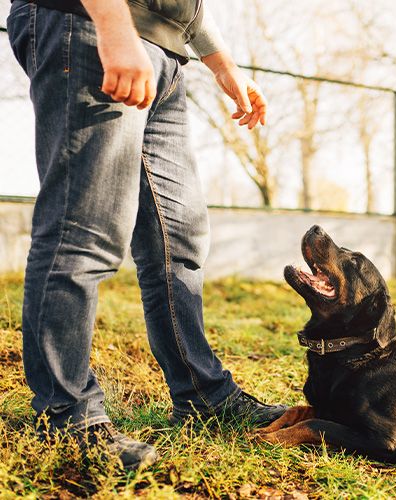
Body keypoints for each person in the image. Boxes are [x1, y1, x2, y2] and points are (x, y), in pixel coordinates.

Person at [6, 0, 286, 470]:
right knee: (84, 230)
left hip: (165, 51)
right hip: (92, 24)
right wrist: (115, 29)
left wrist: (222, 64)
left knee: (178, 239)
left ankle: (203, 394)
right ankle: (66, 415)